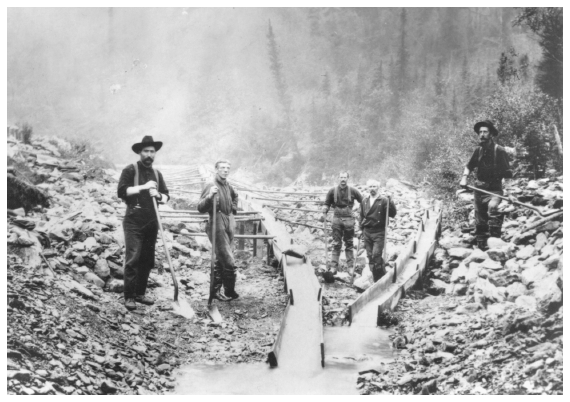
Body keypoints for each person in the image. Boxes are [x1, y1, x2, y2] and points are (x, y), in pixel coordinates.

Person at [117, 136, 170, 311]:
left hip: (152, 221)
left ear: (155, 154)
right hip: (133, 220)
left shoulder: (157, 174)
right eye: (146, 151)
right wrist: (143, 187)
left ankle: (140, 293)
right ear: (140, 152)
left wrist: (159, 196)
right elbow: (122, 191)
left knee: (147, 260)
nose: (149, 154)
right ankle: (129, 296)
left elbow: (166, 196)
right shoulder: (130, 170)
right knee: (133, 258)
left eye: (152, 151)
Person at [459, 120, 513, 250]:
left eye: (485, 132)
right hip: (478, 189)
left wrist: (510, 194)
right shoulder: (478, 150)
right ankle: (482, 246)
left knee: (493, 208)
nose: (482, 134)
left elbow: (508, 174)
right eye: (480, 132)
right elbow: (469, 166)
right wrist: (464, 178)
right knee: (480, 219)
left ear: (491, 134)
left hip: (494, 190)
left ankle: (495, 241)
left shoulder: (499, 151)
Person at [198, 160, 239, 301]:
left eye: (228, 168)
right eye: (222, 168)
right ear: (216, 169)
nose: (225, 170)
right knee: (228, 261)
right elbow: (200, 207)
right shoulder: (211, 184)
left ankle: (215, 291)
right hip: (216, 222)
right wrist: (210, 196)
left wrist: (233, 209)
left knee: (221, 258)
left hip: (229, 221)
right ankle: (229, 291)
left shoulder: (228, 185)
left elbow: (235, 196)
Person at [322, 171, 363, 274]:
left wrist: (360, 210)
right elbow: (326, 203)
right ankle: (333, 267)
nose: (343, 179)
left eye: (345, 177)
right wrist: (325, 209)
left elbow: (363, 201)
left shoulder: (353, 191)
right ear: (338, 178)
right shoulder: (332, 191)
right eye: (341, 177)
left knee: (349, 243)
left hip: (349, 219)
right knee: (336, 244)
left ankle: (350, 267)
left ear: (347, 178)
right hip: (336, 219)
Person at [358, 179, 397, 282]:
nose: (372, 189)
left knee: (376, 254)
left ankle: (380, 276)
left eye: (374, 187)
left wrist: (391, 201)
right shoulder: (364, 201)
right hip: (367, 231)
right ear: (367, 188)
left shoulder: (383, 200)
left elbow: (393, 214)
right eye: (370, 187)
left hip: (379, 231)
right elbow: (361, 216)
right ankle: (374, 275)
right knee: (370, 256)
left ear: (378, 188)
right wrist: (360, 230)